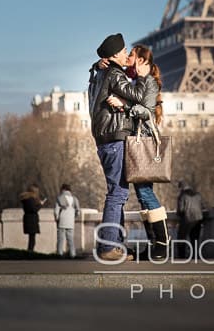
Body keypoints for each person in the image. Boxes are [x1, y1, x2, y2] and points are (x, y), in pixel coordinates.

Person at [86, 33, 153, 261]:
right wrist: (143, 78)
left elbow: (94, 78)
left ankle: (115, 245)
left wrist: (96, 65)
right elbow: (138, 96)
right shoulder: (115, 74)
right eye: (124, 51)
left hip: (103, 140)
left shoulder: (98, 74)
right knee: (117, 194)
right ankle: (107, 246)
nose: (126, 55)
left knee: (117, 192)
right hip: (115, 139)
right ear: (114, 54)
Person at [105, 44, 171, 260]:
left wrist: (123, 105)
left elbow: (146, 111)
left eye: (132, 55)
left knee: (145, 192)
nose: (129, 57)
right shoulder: (137, 81)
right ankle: (156, 243)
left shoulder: (149, 82)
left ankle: (162, 244)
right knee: (143, 193)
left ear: (141, 60)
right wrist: (100, 63)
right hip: (137, 143)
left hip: (143, 143)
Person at [176, 181, 204, 258]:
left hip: (187, 218)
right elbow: (202, 206)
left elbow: (181, 209)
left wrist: (179, 215)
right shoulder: (197, 194)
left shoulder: (182, 195)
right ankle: (195, 255)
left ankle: (181, 255)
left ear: (181, 187)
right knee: (194, 238)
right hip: (198, 218)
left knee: (181, 237)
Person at [54, 183, 81, 258]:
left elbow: (56, 211)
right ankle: (73, 254)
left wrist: (56, 218)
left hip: (62, 220)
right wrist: (74, 217)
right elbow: (78, 211)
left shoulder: (60, 198)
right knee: (70, 239)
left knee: (60, 239)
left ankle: (59, 253)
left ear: (63, 189)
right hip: (70, 220)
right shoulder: (74, 198)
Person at [19, 184, 46, 251]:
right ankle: (30, 253)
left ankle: (30, 252)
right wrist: (40, 204)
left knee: (31, 239)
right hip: (31, 220)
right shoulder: (30, 199)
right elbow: (34, 209)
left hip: (28, 219)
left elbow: (30, 208)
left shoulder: (26, 199)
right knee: (32, 239)